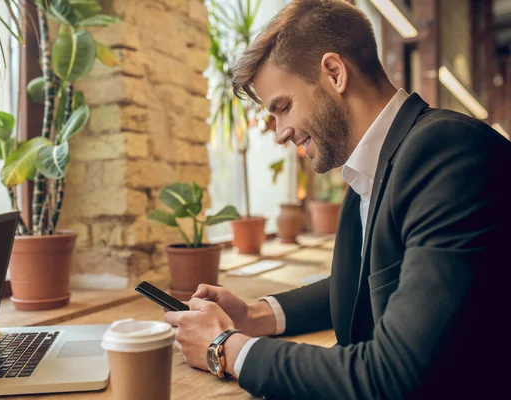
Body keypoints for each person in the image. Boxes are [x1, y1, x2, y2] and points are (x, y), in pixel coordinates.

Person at [164, 1, 511, 398]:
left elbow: (393, 376)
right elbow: (370, 279)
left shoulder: (447, 153)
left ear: (334, 72)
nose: (279, 133)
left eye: (283, 107)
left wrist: (226, 349)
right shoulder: (375, 171)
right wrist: (254, 315)